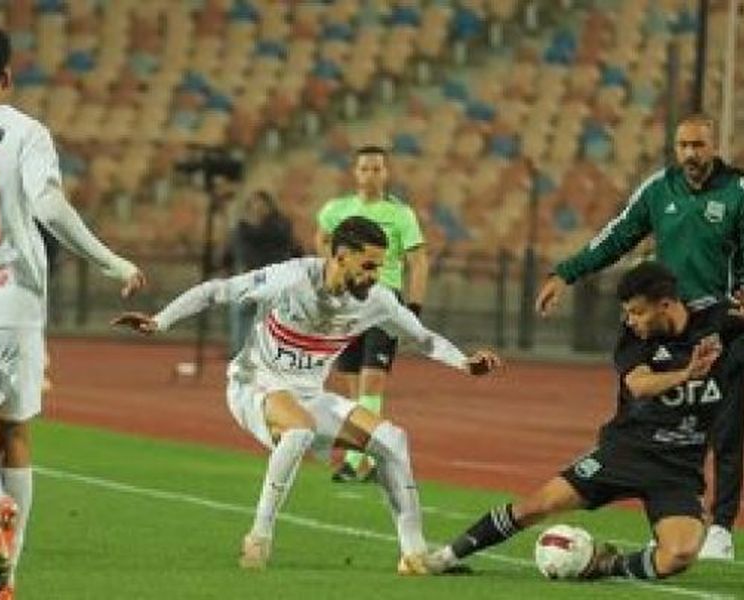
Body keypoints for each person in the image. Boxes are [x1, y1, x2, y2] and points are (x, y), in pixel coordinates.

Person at [112, 216, 500, 574]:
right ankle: (259, 537)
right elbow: (218, 291)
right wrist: (160, 321)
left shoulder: (378, 300)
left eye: (380, 267)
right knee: (300, 429)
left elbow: (423, 338)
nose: (374, 276)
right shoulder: (291, 278)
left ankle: (413, 555)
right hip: (255, 384)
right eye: (368, 266)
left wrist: (465, 363)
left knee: (392, 441)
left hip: (309, 395)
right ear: (341, 256)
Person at [426, 262, 744, 580]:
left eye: (637, 312)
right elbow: (639, 384)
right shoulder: (634, 337)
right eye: (627, 312)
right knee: (536, 505)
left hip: (678, 469)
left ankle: (603, 566)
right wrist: (686, 374)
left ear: (665, 305)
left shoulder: (718, 320)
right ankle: (443, 558)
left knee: (679, 555)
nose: (631, 320)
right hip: (624, 452)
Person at [535, 113, 744, 560]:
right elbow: (617, 236)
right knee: (646, 423)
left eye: (698, 145)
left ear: (714, 146)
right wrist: (566, 273)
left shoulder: (742, 195)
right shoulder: (658, 189)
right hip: (662, 332)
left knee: (725, 431)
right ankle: (665, 519)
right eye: (683, 145)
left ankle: (721, 527)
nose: (690, 154)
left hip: (718, 331)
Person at [0, 26, 146, 596]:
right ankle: (7, 576)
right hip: (17, 301)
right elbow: (50, 208)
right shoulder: (27, 133)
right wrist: (111, 261)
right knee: (15, 429)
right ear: (6, 76)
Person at [315, 145, 429, 483]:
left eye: (377, 168)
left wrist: (414, 308)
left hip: (384, 301)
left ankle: (354, 460)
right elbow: (321, 238)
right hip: (347, 303)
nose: (370, 174)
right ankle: (368, 460)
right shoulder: (337, 209)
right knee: (354, 387)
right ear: (355, 173)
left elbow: (418, 261)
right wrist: (333, 274)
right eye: (364, 168)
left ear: (386, 173)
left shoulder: (400, 214)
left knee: (372, 381)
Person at [222, 190, 301, 355]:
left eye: (261, 204)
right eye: (254, 204)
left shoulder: (279, 227)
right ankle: (241, 353)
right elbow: (230, 254)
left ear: (270, 207)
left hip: (273, 280)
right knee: (243, 315)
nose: (258, 208)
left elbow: (293, 251)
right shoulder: (242, 229)